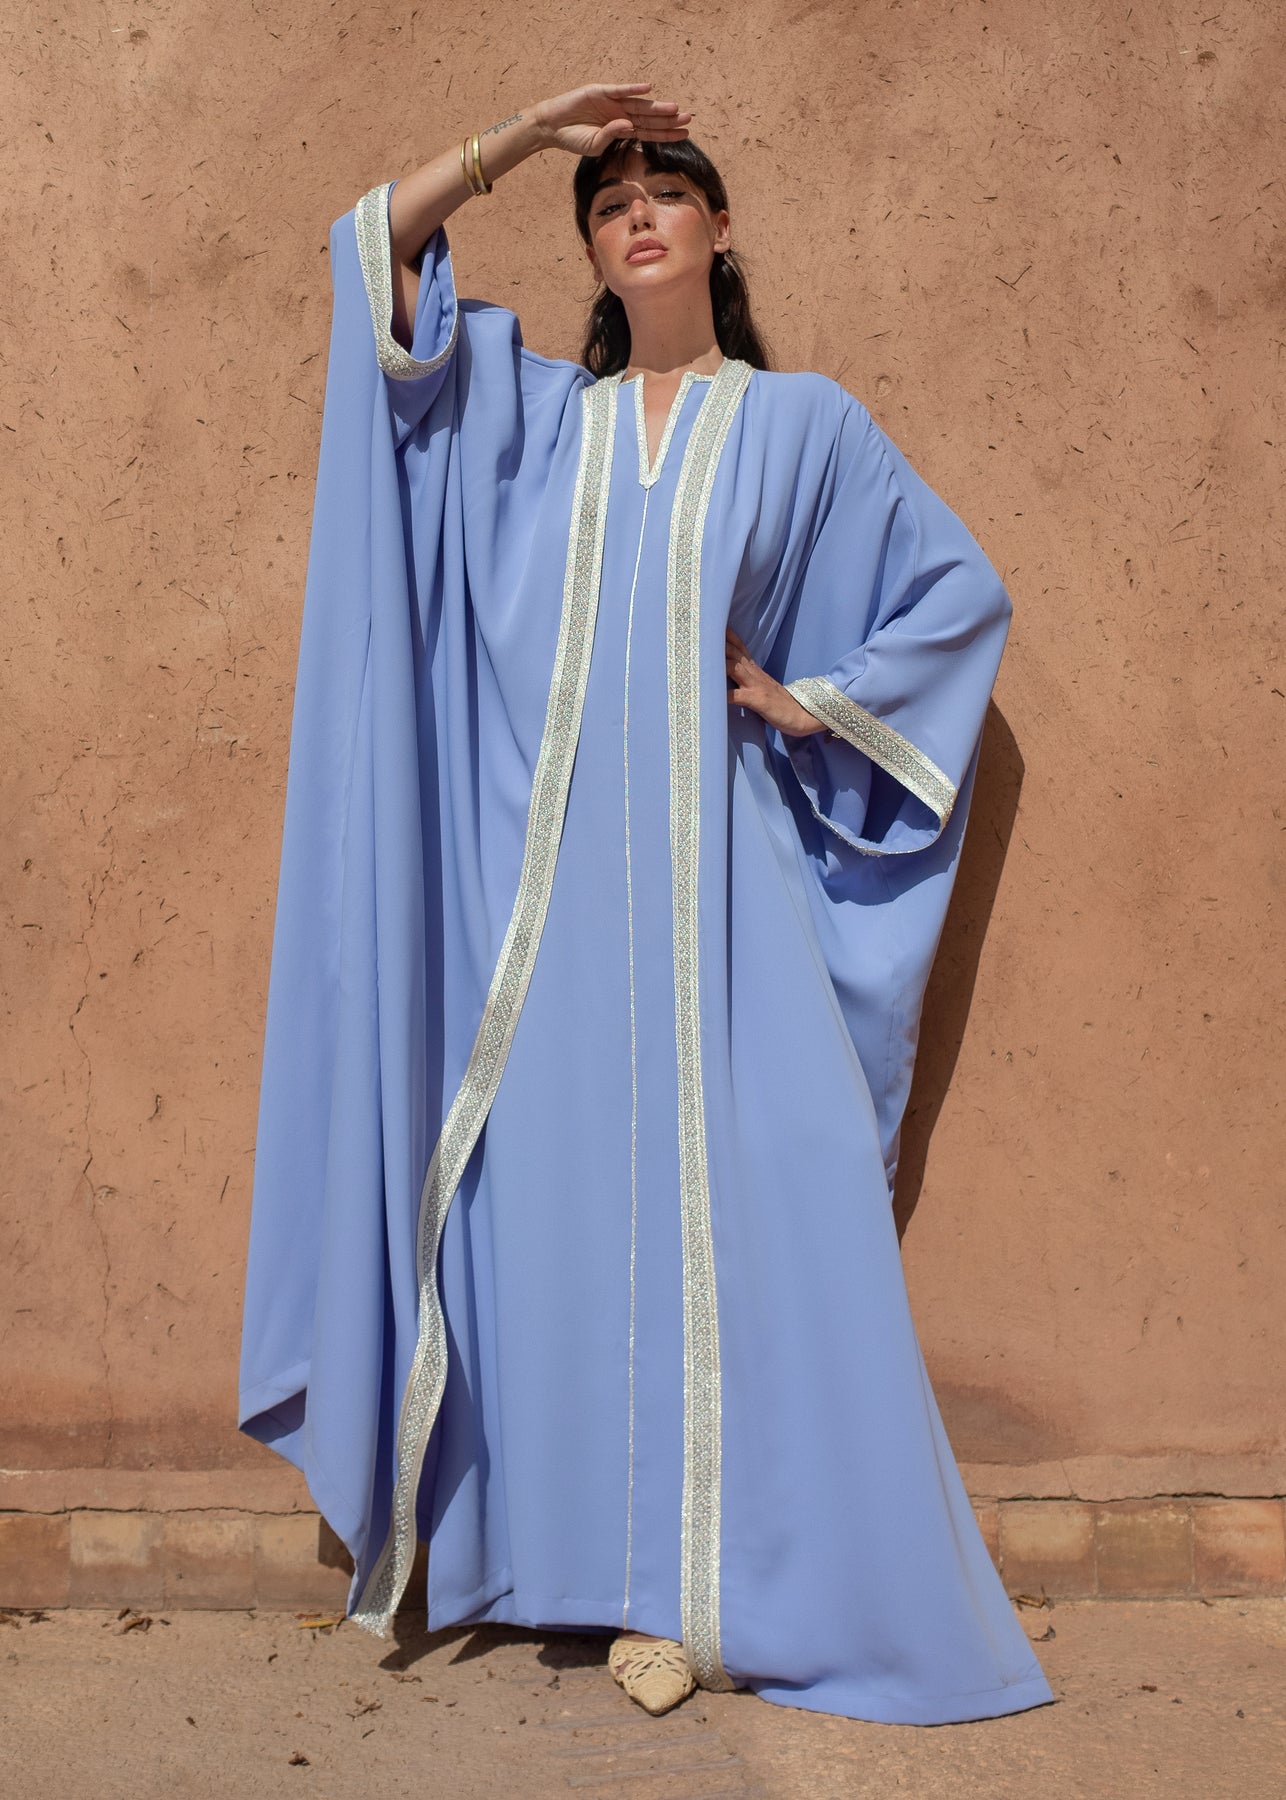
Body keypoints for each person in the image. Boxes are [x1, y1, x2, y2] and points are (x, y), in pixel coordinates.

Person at [237, 80, 1056, 1726]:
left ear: (717, 227)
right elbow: (370, 260)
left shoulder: (803, 422)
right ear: (595, 250)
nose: (635, 216)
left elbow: (957, 590)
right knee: (549, 1216)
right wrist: (527, 133)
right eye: (608, 204)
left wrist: (814, 701)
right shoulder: (544, 420)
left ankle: (705, 1596)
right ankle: (570, 1568)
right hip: (543, 897)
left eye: (663, 192)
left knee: (739, 1214)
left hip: (722, 891)